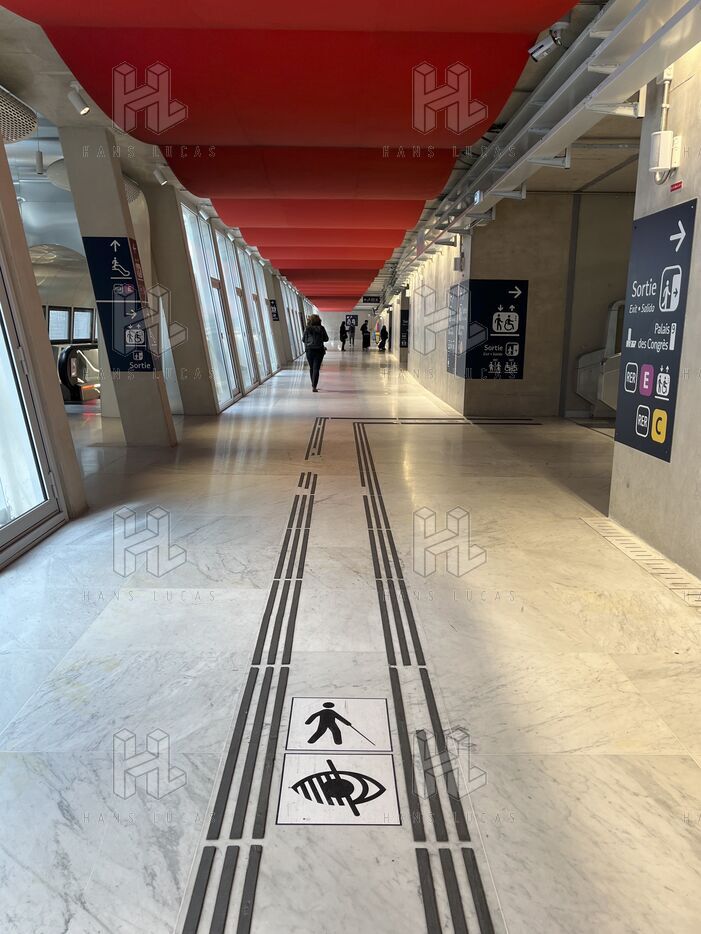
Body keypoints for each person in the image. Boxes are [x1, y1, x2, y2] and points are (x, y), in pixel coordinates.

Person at [302, 313, 329, 392]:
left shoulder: (307, 328)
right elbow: (326, 339)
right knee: (316, 368)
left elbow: (303, 340)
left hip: (309, 350)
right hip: (319, 350)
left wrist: (308, 342)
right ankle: (314, 386)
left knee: (311, 368)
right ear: (318, 320)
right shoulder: (321, 328)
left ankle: (313, 385)